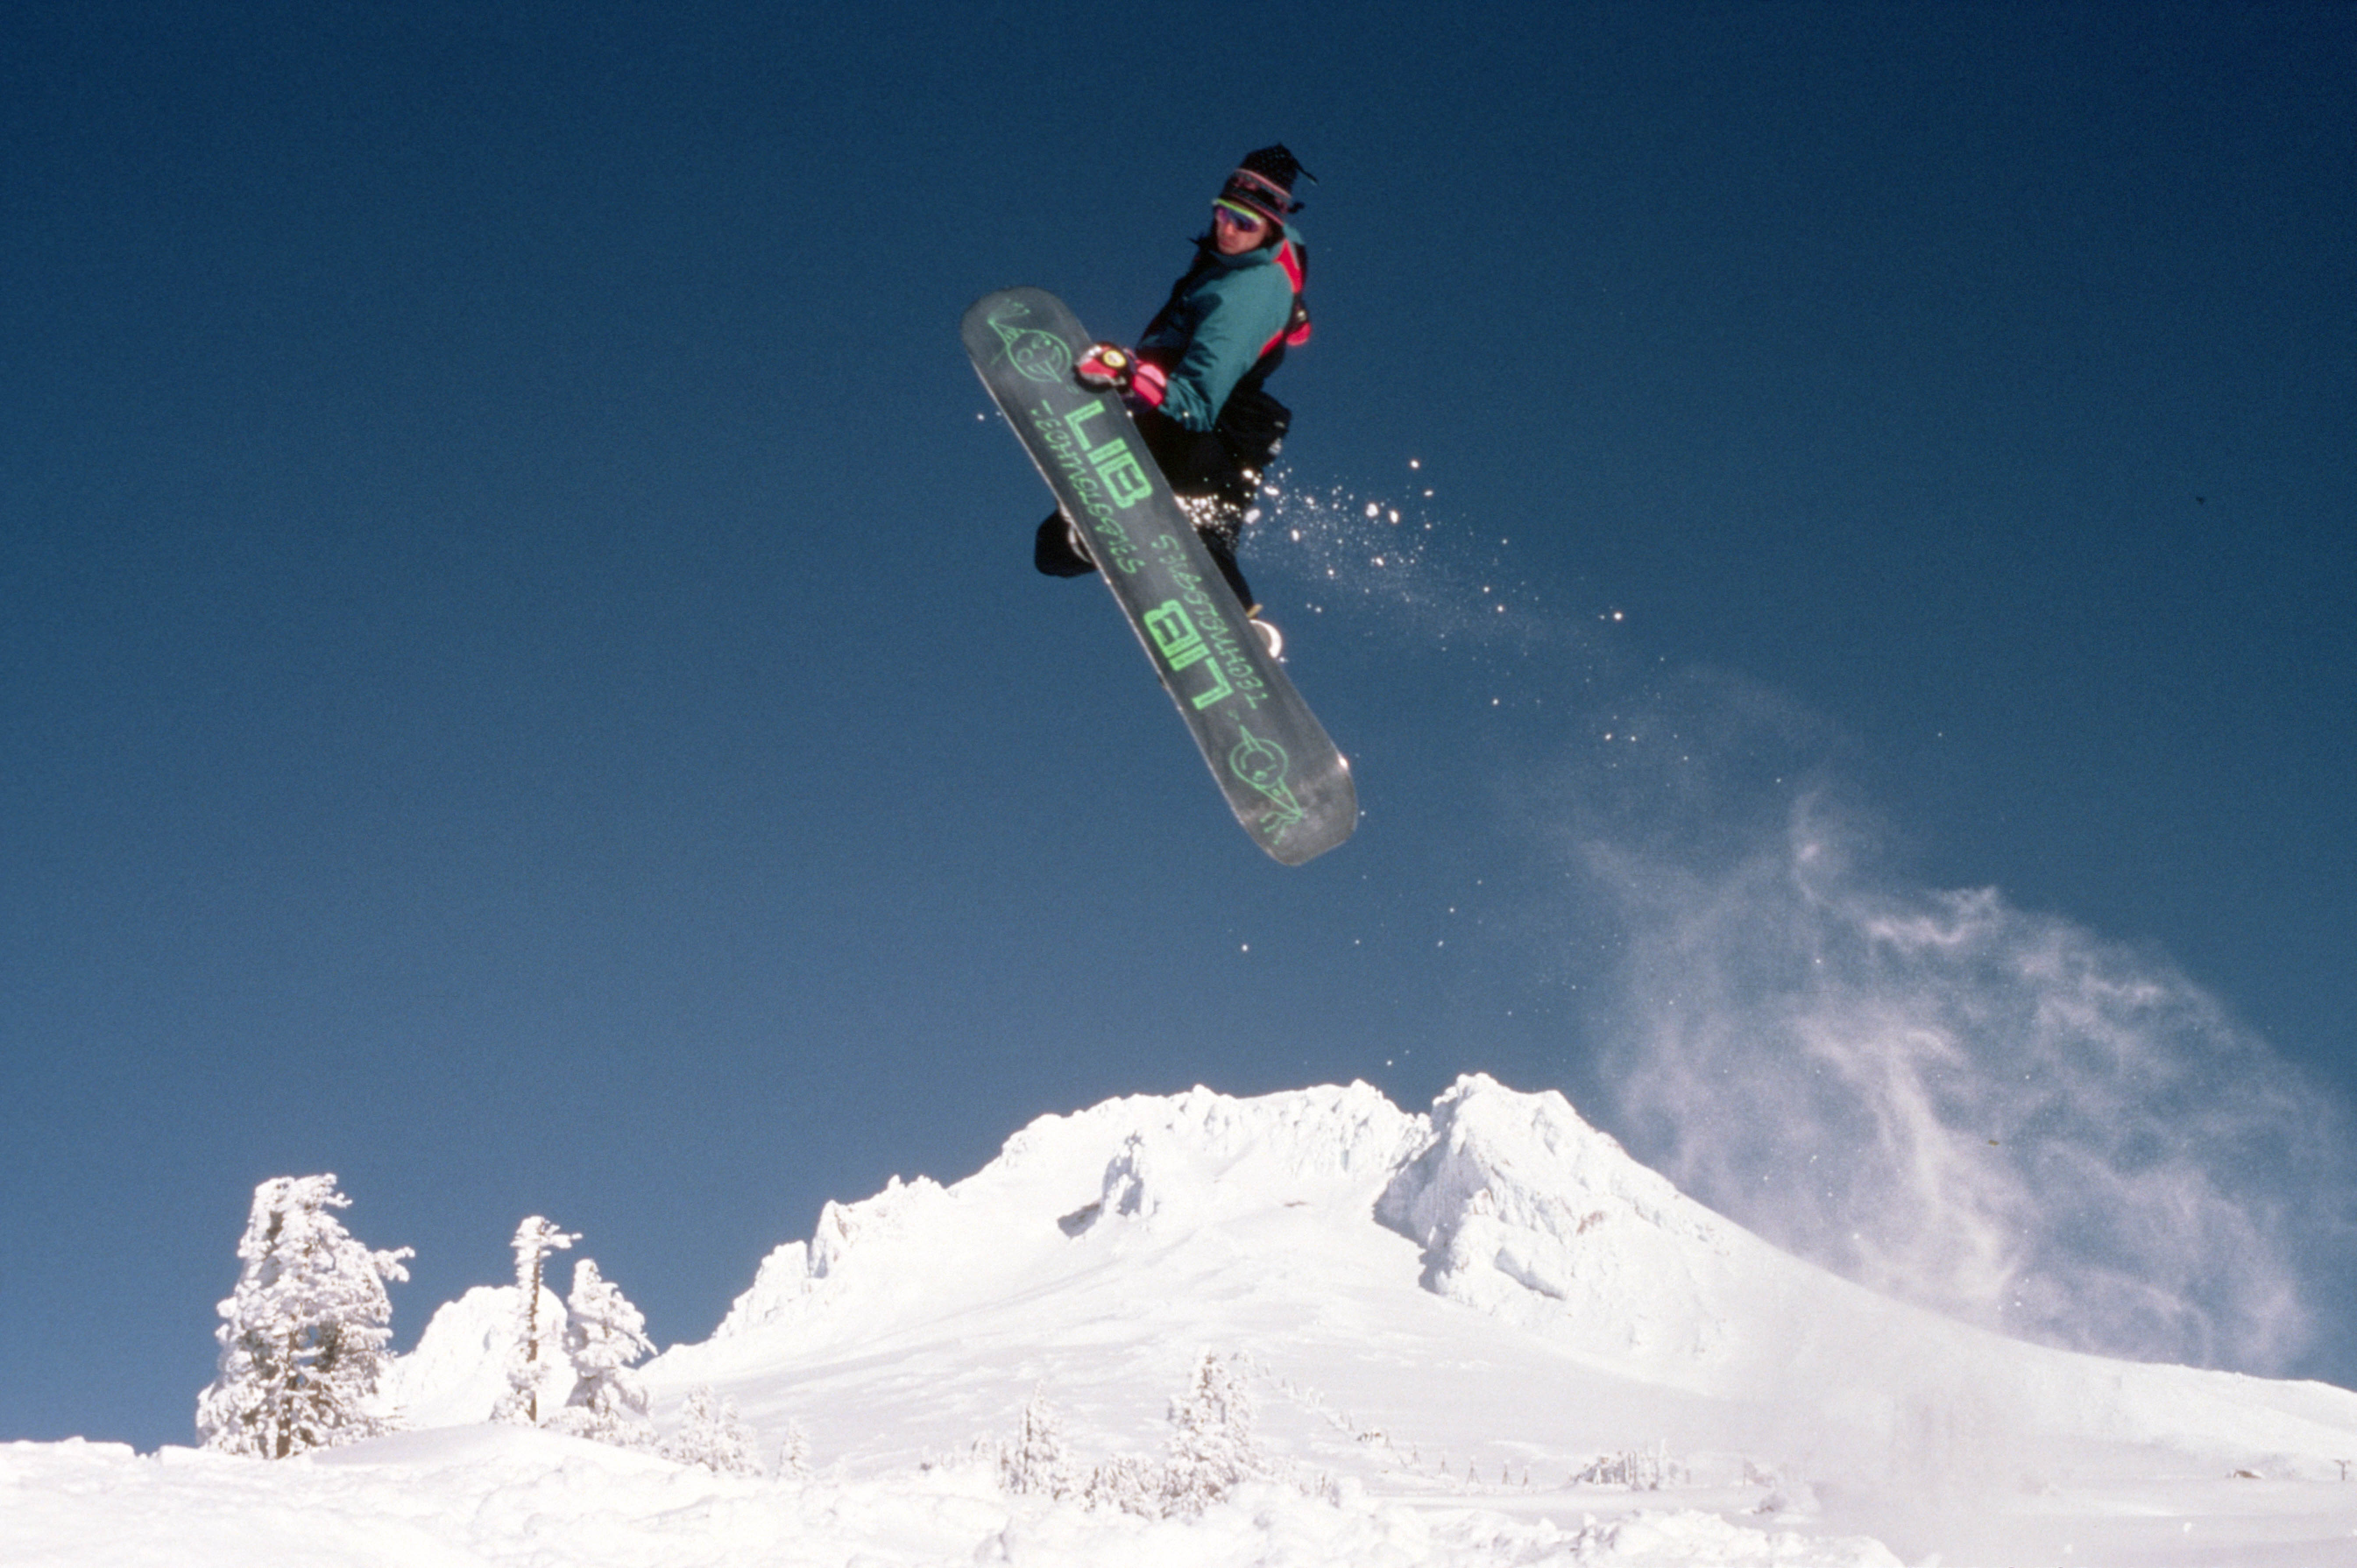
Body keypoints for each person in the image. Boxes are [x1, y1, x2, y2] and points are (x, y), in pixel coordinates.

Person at [1035, 145, 1314, 635]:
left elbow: (1199, 402)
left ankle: (1241, 633)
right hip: (1188, 429)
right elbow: (1290, 261)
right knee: (1051, 550)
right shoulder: (1238, 258)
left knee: (1198, 534)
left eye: (1245, 225)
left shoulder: (1249, 292)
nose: (1228, 230)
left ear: (1268, 229)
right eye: (1224, 214)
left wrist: (1131, 376)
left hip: (1213, 440)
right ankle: (1094, 539)